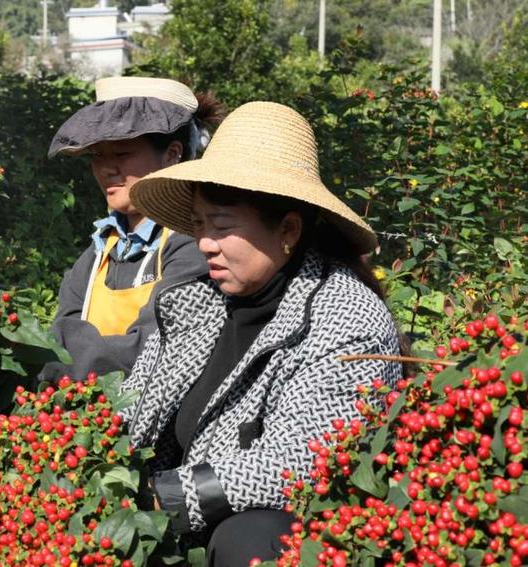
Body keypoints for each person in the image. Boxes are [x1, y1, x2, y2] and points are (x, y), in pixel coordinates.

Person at [121, 101, 405, 565]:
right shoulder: (195, 304)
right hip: (178, 535)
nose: (205, 243)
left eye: (222, 226)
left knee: (253, 535)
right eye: (198, 225)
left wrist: (165, 498)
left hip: (289, 536)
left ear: (288, 229)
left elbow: (299, 460)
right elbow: (132, 405)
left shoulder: (346, 318)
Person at [44, 77, 224, 381]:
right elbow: (60, 331)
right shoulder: (100, 250)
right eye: (98, 155)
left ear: (172, 155)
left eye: (122, 154)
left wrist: (63, 351)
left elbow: (150, 348)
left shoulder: (194, 244)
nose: (106, 168)